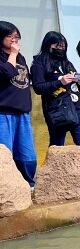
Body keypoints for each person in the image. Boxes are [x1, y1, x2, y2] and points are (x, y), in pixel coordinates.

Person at [30, 31, 80, 146]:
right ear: (48, 45)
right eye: (57, 45)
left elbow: (79, 87)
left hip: (76, 108)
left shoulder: (66, 62)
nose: (61, 48)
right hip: (56, 110)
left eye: (63, 46)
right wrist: (59, 82)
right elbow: (38, 87)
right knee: (57, 147)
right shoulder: (39, 62)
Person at [0, 21, 37, 187]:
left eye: (17, 37)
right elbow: (6, 72)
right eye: (10, 36)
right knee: (5, 154)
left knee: (27, 154)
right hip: (3, 112)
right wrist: (13, 54)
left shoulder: (20, 57)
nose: (15, 40)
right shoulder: (8, 56)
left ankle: (28, 184)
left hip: (22, 112)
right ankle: (8, 187)